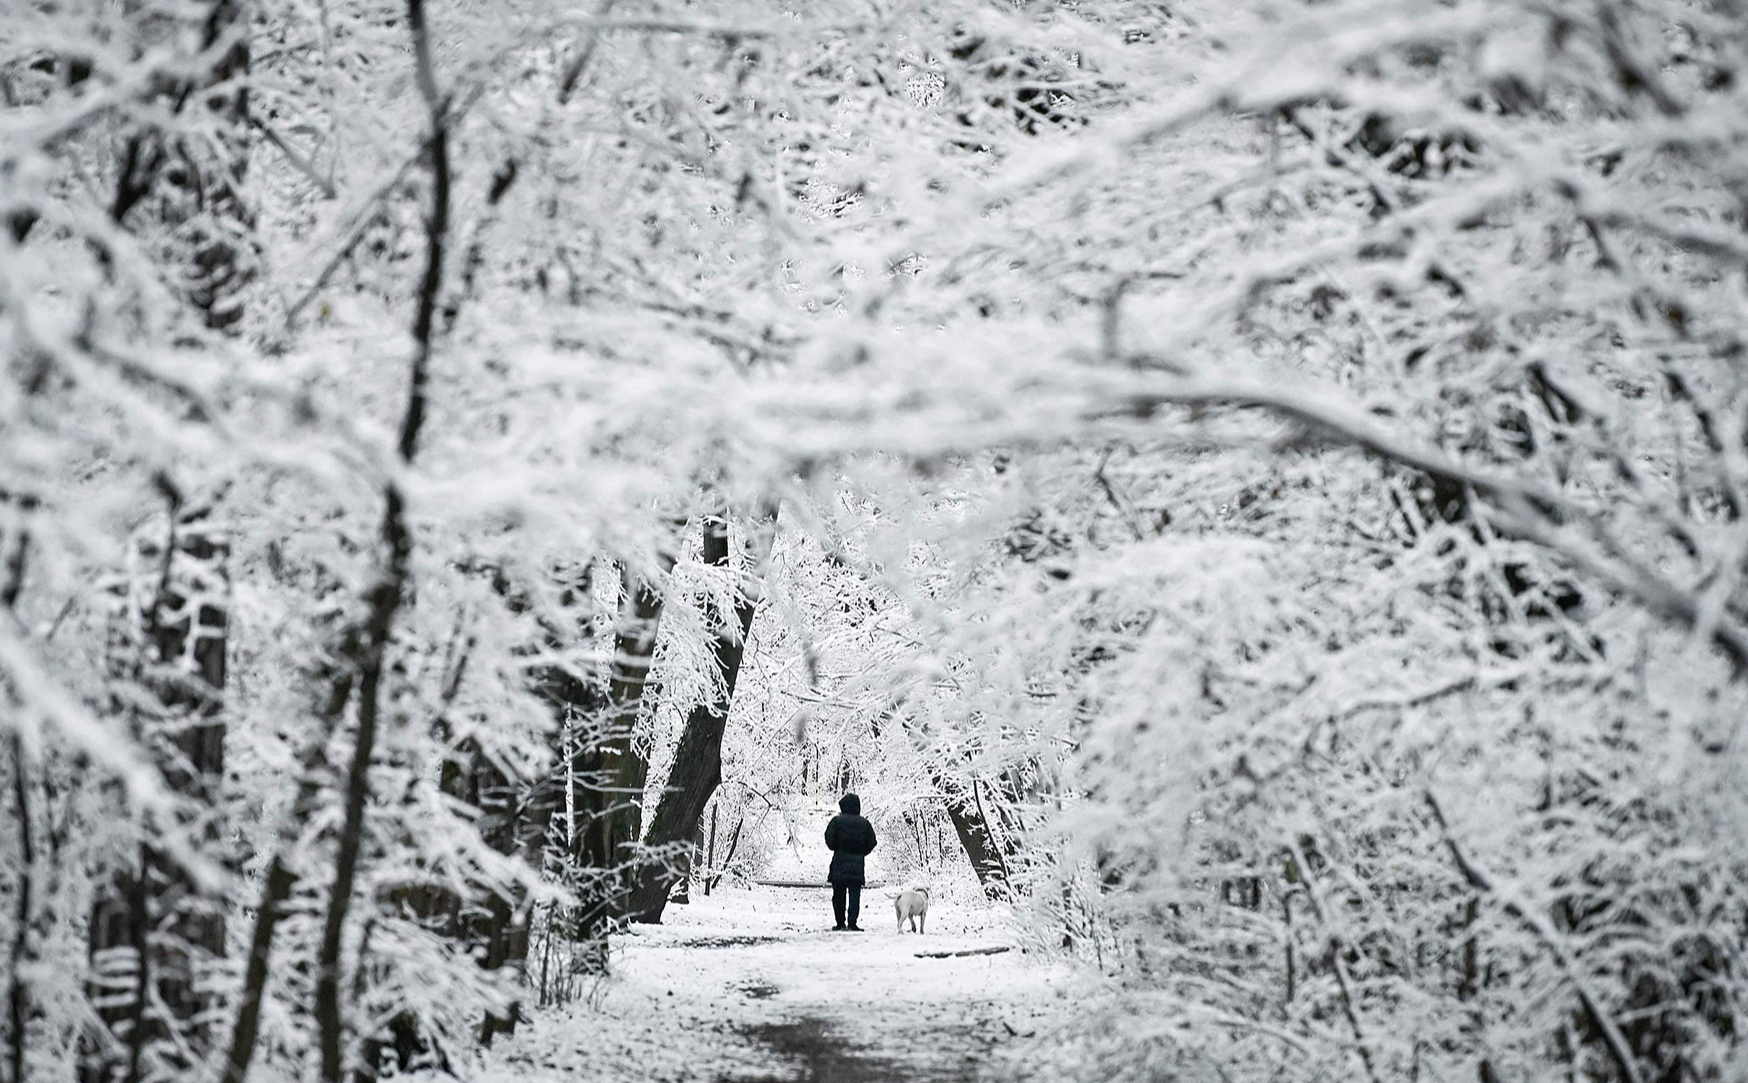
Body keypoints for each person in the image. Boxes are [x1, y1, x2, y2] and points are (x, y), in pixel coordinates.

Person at [824, 792, 877, 931]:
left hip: (839, 864)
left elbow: (829, 840)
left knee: (838, 894)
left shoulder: (836, 821)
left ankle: (840, 922)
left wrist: (837, 847)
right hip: (857, 865)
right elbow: (872, 842)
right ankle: (852, 923)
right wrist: (860, 852)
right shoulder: (864, 823)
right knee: (855, 895)